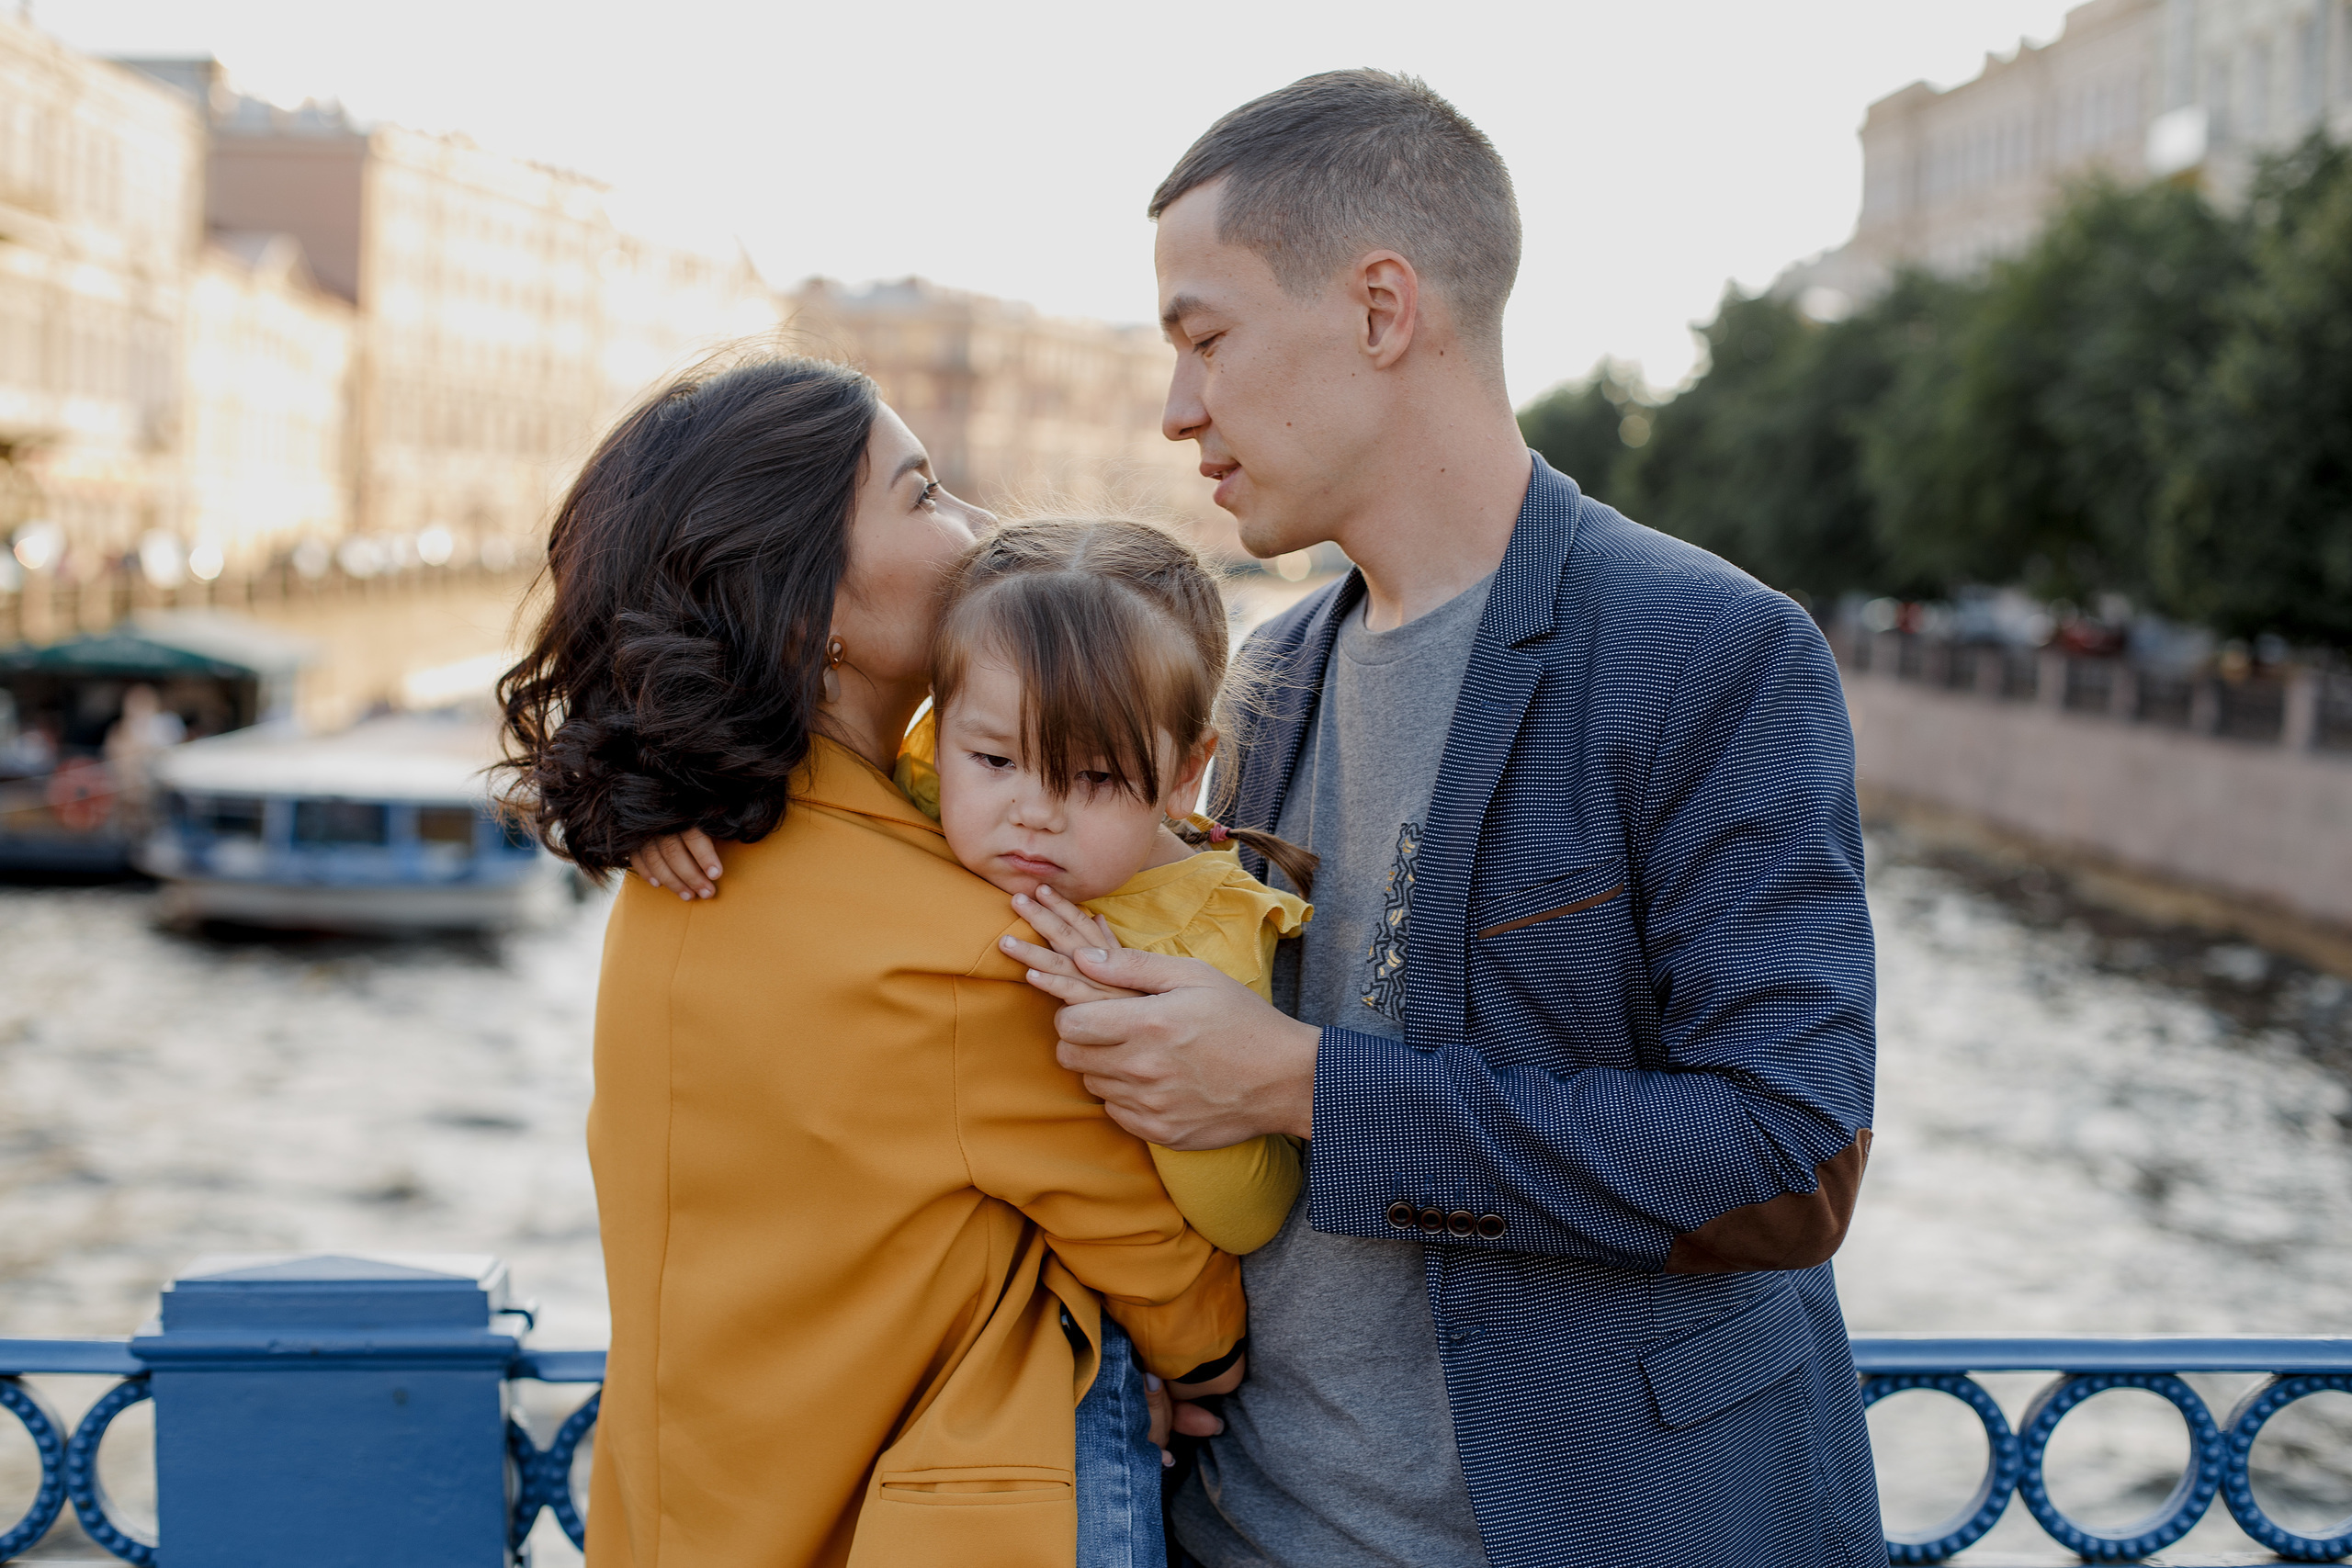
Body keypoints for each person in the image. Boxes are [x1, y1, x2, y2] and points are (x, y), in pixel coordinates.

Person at [1012, 71, 1886, 1567]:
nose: (1177, 410)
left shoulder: (1711, 651)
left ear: (1380, 309)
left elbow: (1787, 1159)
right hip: (1239, 1531)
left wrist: (1305, 1086)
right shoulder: (1265, 676)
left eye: (1205, 339)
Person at [497, 355, 1245, 1568]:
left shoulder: (682, 867)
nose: (977, 525)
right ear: (812, 612)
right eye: (925, 493)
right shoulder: (964, 950)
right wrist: (1177, 1361)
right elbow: (1173, 1276)